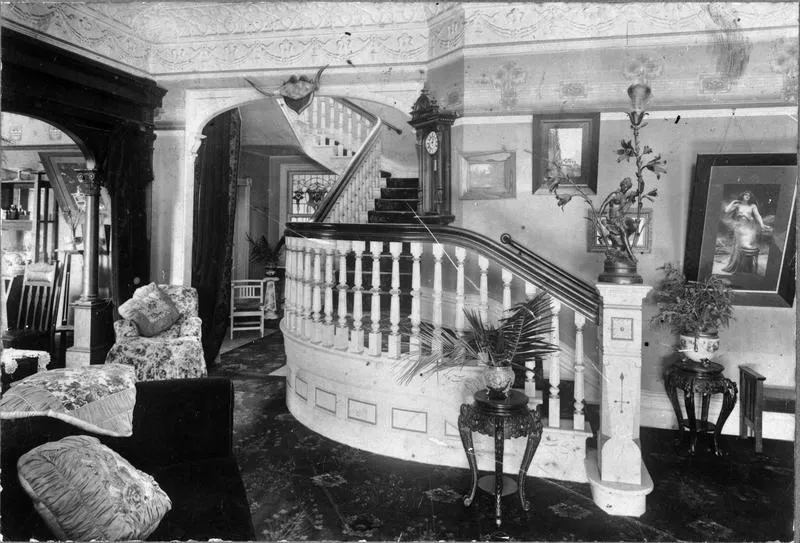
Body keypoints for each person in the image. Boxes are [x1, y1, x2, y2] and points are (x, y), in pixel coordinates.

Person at [721, 190, 771, 274]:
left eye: (749, 195)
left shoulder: (752, 206)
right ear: (743, 196)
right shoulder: (738, 205)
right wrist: (733, 202)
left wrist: (762, 225)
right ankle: (737, 267)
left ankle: (746, 268)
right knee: (738, 247)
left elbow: (758, 216)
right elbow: (726, 210)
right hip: (739, 228)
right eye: (746, 195)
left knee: (746, 246)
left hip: (748, 228)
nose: (747, 196)